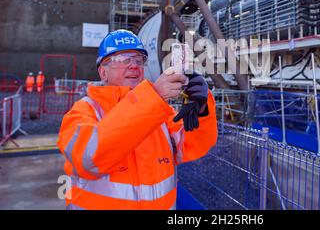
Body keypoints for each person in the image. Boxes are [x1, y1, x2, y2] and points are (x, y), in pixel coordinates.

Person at [57, 29, 217, 210]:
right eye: (124, 59)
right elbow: (88, 159)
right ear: (103, 73)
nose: (134, 65)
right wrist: (153, 97)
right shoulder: (83, 112)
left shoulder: (160, 113)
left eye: (139, 60)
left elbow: (194, 145)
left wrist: (202, 110)